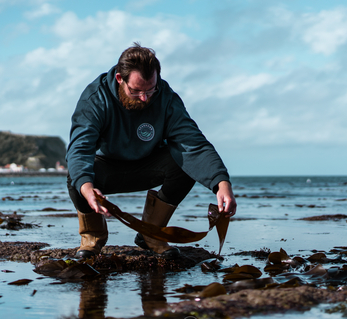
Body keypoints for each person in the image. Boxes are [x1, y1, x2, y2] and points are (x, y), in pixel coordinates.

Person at [66, 42, 236, 259]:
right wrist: (87, 188)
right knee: (76, 176)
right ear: (120, 79)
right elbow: (80, 148)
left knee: (185, 164)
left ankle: (150, 234)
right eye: (136, 91)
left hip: (148, 166)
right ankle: (92, 239)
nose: (145, 98)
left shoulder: (165, 98)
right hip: (107, 170)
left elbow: (193, 143)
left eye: (150, 90)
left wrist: (222, 184)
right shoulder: (95, 98)